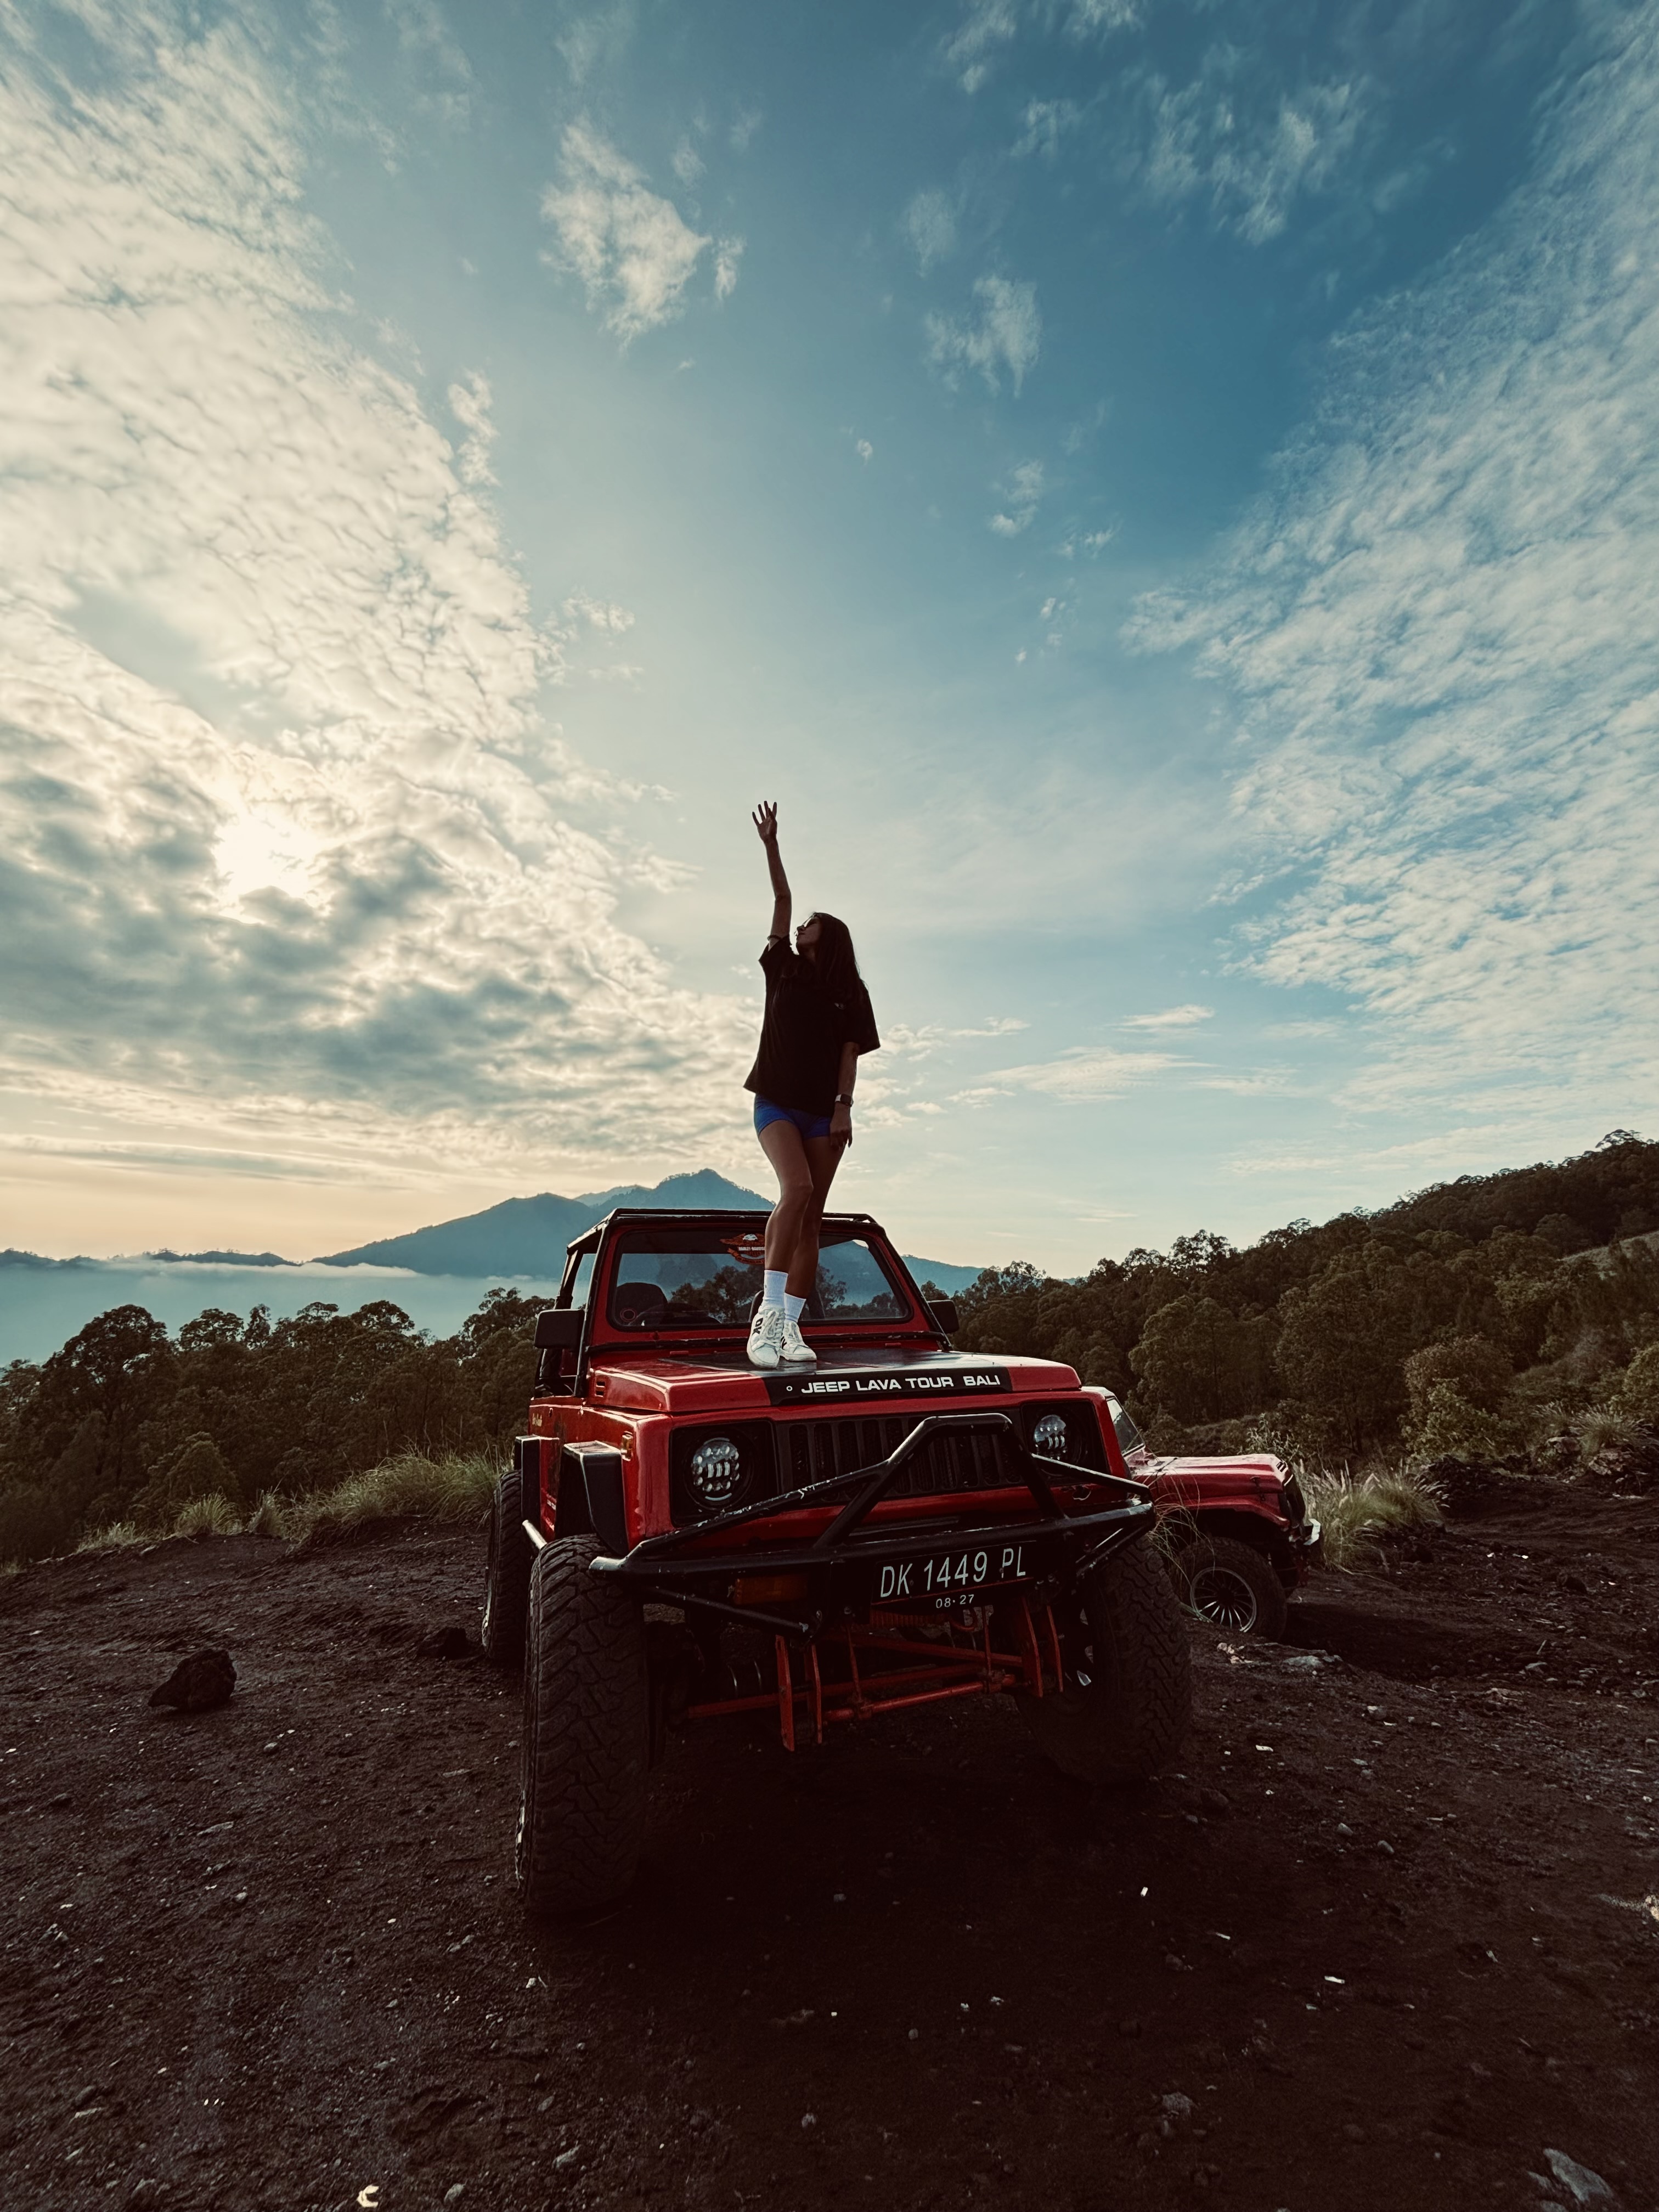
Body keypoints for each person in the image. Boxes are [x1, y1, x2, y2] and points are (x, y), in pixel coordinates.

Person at [743, 800, 879, 1368]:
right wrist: (772, 846)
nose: (802, 926)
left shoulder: (850, 991)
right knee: (794, 1192)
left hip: (825, 1114)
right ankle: (767, 1319)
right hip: (775, 1103)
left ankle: (793, 1329)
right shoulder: (784, 967)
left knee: (813, 1218)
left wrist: (844, 1108)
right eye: (801, 923)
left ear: (831, 936)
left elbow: (850, 1055)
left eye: (811, 923)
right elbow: (781, 899)